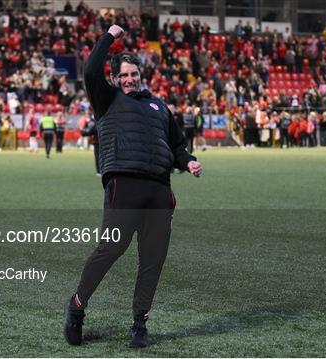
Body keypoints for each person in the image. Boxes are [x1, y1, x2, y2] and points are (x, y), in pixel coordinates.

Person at [64, 25, 202, 348]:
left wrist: (188, 161)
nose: (130, 79)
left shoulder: (159, 107)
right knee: (111, 249)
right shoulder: (106, 97)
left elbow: (178, 145)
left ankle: (139, 323)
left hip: (159, 190)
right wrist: (108, 37)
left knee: (152, 259)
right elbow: (90, 68)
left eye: (134, 73)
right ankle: (76, 307)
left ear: (141, 74)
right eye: (124, 74)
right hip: (123, 186)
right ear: (115, 78)